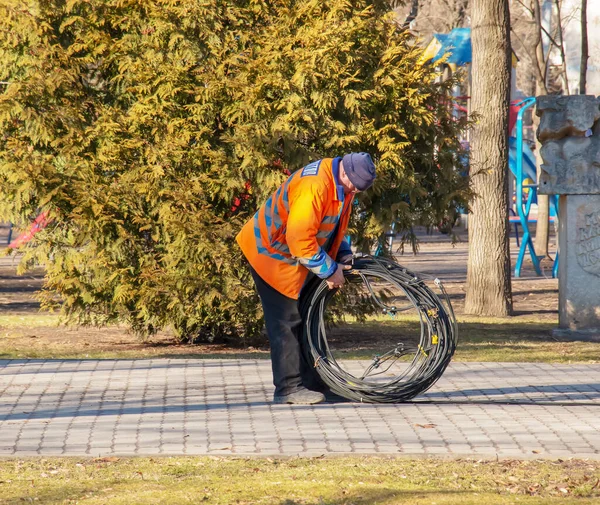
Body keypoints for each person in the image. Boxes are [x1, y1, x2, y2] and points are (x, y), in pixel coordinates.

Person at [236, 153, 377, 404]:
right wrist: (328, 270)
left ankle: (315, 385)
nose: (355, 191)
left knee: (309, 318)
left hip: (293, 255)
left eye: (359, 189)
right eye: (354, 185)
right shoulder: (315, 186)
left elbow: (331, 224)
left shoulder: (342, 185)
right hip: (269, 253)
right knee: (287, 321)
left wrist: (343, 254)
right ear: (345, 173)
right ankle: (288, 389)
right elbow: (299, 240)